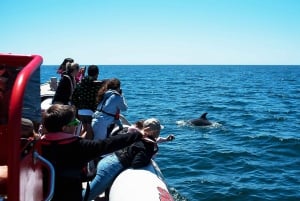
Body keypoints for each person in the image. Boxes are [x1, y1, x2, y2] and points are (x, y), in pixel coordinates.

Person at [40, 104, 143, 201]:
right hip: (70, 195)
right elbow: (107, 144)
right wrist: (138, 135)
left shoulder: (37, 145)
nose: (77, 125)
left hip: (43, 193)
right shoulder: (79, 147)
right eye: (74, 122)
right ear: (64, 128)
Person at [83, 118, 164, 200]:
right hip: (110, 168)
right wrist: (148, 160)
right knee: (87, 196)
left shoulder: (138, 136)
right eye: (158, 130)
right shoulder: (147, 145)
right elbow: (137, 163)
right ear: (152, 131)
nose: (159, 132)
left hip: (108, 160)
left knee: (91, 188)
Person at [72, 65, 105, 139]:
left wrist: (79, 105)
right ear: (97, 74)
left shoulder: (80, 83)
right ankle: (81, 145)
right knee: (89, 132)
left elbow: (74, 97)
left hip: (80, 111)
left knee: (85, 129)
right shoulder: (97, 85)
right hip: (90, 111)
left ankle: (78, 141)